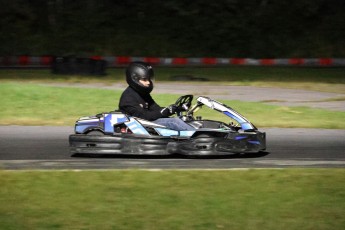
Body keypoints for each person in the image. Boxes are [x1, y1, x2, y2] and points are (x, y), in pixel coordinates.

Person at [118, 61, 194, 131]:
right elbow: (144, 116)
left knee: (181, 119)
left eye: (148, 79)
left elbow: (156, 109)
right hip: (139, 125)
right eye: (144, 80)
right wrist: (163, 112)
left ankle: (198, 133)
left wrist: (175, 109)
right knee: (174, 122)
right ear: (134, 79)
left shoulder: (142, 93)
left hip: (147, 122)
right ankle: (197, 136)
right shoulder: (128, 98)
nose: (148, 83)